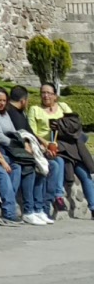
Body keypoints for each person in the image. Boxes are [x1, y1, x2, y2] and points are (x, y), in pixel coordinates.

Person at [30, 82, 94, 218]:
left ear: (55, 95)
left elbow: (74, 124)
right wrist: (47, 144)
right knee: (57, 162)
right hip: (51, 148)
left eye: (49, 93)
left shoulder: (63, 107)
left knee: (85, 174)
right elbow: (32, 132)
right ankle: (58, 197)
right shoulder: (35, 109)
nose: (46, 96)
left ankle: (93, 207)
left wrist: (60, 125)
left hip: (70, 147)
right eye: (43, 93)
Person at [7, 84, 60, 219]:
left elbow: (30, 132)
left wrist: (43, 146)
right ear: (24, 100)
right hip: (19, 152)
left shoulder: (20, 113)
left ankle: (42, 207)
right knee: (35, 168)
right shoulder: (11, 113)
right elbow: (20, 135)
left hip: (32, 149)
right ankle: (30, 209)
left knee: (53, 165)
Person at [0, 88, 29, 220]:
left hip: (10, 148)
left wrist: (22, 142)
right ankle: (9, 207)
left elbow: (13, 131)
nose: (2, 103)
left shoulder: (5, 113)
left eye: (4, 100)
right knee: (11, 168)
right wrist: (16, 144)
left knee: (18, 167)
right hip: (0, 148)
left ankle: (7, 201)